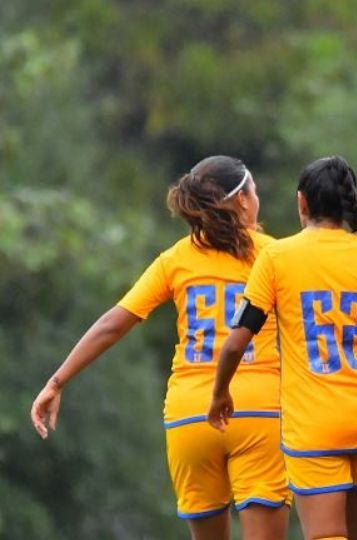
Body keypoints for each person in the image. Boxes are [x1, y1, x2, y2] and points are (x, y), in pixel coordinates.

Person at [30, 156, 290, 540]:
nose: (258, 199)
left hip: (191, 416)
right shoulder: (275, 254)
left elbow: (112, 324)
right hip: (259, 410)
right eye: (255, 191)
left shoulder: (174, 260)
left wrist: (57, 381)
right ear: (242, 201)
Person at [207, 156, 357, 540]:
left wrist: (219, 393)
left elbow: (235, 344)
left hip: (315, 426)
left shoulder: (277, 257)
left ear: (301, 203)